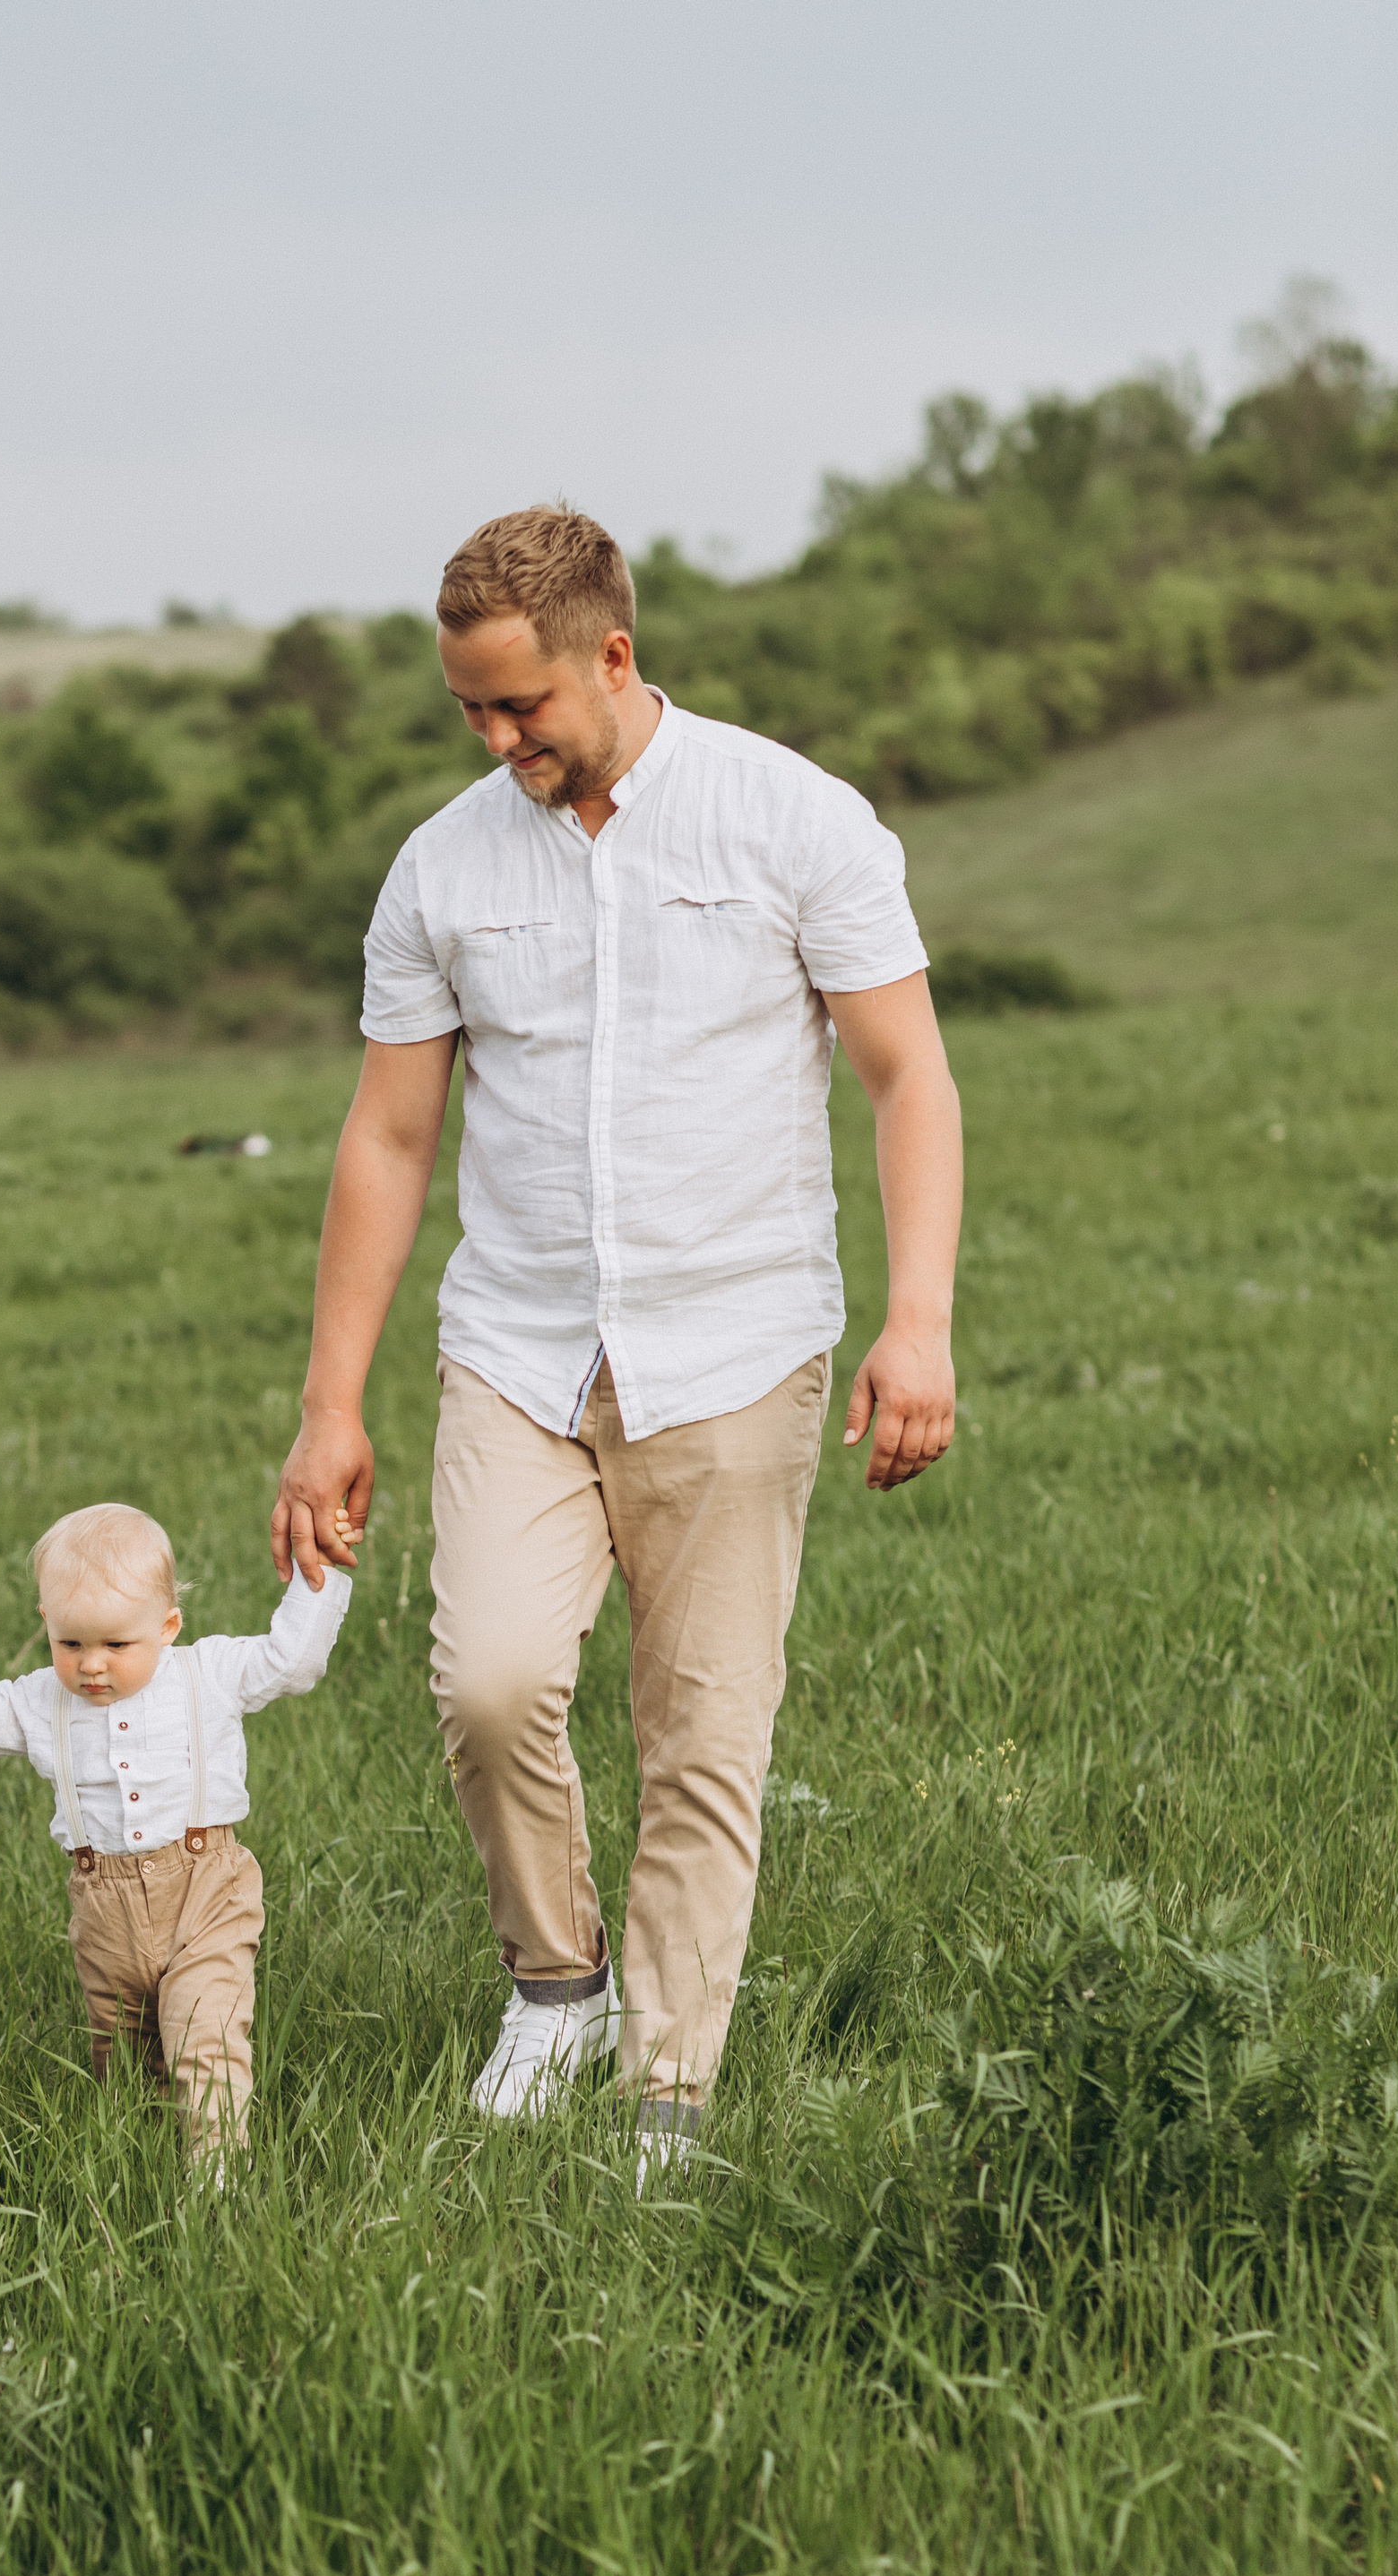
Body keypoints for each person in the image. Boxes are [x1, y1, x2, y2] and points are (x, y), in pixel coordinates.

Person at [270, 506, 962, 2182]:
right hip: (518, 1344)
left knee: (703, 1728)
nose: (500, 741)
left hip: (737, 1342)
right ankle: (555, 1984)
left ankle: (668, 2093)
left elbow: (906, 1078)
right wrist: (328, 1405)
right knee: (491, 1681)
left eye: (524, 707)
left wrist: (918, 1318)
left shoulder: (794, 819)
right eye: (470, 713)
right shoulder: (443, 865)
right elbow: (386, 1140)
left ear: (615, 658)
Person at [0, 1503, 350, 2158]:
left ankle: (216, 2178)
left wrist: (323, 1569)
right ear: (47, 1627)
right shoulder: (41, 1699)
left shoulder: (209, 1674)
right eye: (71, 1644)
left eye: (117, 1645)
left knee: (204, 2031)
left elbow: (294, 1661)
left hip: (207, 1890)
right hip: (104, 1908)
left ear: (169, 1625)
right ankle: (137, 2167)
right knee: (124, 2056)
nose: (92, 1664)